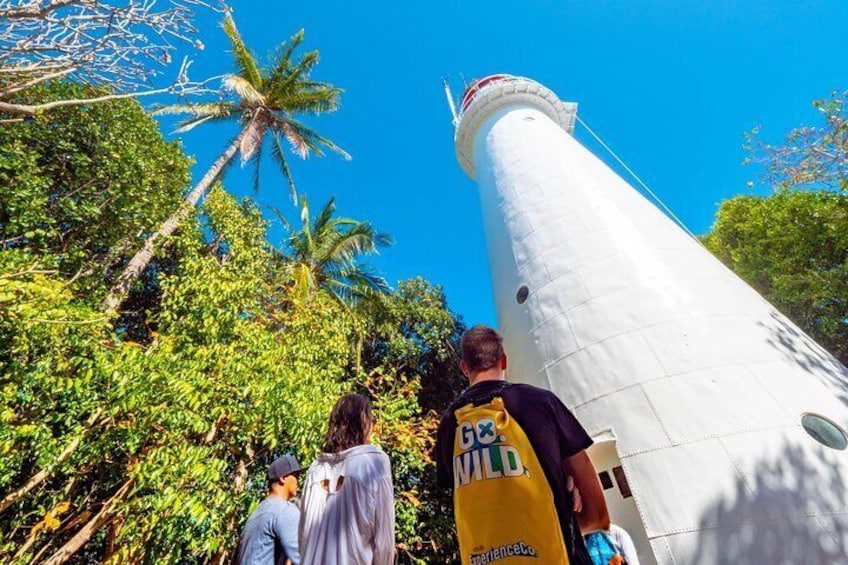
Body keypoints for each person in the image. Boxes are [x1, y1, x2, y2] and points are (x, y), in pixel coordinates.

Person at [435, 325, 610, 565]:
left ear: (464, 367)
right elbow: (597, 512)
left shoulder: (448, 425)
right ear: (503, 360)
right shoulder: (540, 402)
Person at [298, 394, 395, 565]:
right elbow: (385, 543)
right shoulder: (375, 462)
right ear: (363, 422)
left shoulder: (315, 469)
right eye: (370, 418)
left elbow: (303, 538)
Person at [235, 455, 302, 565]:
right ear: (283, 478)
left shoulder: (257, 513)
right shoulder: (285, 510)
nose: (298, 481)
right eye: (296, 476)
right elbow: (303, 557)